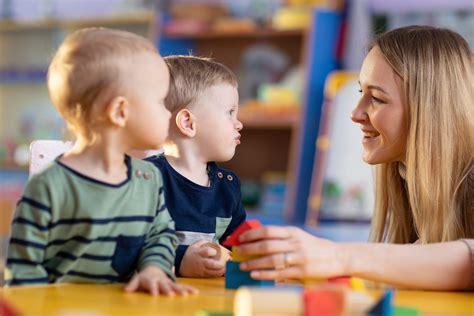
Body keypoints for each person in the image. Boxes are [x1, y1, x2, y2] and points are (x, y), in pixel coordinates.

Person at [236, 25, 473, 290]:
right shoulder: (410, 183)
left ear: (431, 110)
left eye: (378, 99)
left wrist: (339, 257)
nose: (355, 113)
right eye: (362, 93)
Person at [6, 28, 196, 296]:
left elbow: (160, 235)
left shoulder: (148, 178)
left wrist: (154, 269)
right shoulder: (48, 187)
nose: (168, 113)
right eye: (160, 101)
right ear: (120, 111)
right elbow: (23, 274)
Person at [146, 56, 246, 277]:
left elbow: (237, 247)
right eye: (230, 112)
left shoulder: (228, 187)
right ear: (188, 123)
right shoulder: (145, 178)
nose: (239, 123)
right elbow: (130, 245)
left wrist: (247, 255)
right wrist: (180, 260)